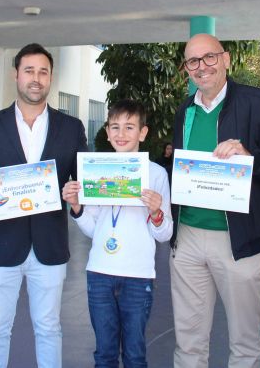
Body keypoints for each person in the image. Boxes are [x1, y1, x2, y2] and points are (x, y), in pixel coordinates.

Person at [0, 43, 87, 368]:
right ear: (16, 74)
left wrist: (78, 198)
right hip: (0, 246)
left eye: (43, 72)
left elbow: (83, 181)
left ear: (51, 77)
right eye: (29, 70)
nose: (36, 78)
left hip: (50, 247)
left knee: (49, 328)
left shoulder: (71, 128)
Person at [170, 33, 260, 368]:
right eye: (193, 61)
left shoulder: (259, 103)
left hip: (241, 241)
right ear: (187, 69)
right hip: (188, 239)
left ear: (225, 59)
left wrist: (249, 157)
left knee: (244, 343)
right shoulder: (184, 111)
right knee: (188, 342)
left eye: (209, 57)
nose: (202, 66)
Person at [62, 99, 173, 367]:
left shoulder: (156, 174)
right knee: (104, 353)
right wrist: (77, 208)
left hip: (138, 276)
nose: (121, 134)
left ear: (142, 133)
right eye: (115, 127)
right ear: (108, 133)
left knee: (135, 354)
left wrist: (157, 213)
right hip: (99, 273)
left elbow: (164, 234)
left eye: (129, 127)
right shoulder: (97, 172)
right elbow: (93, 228)